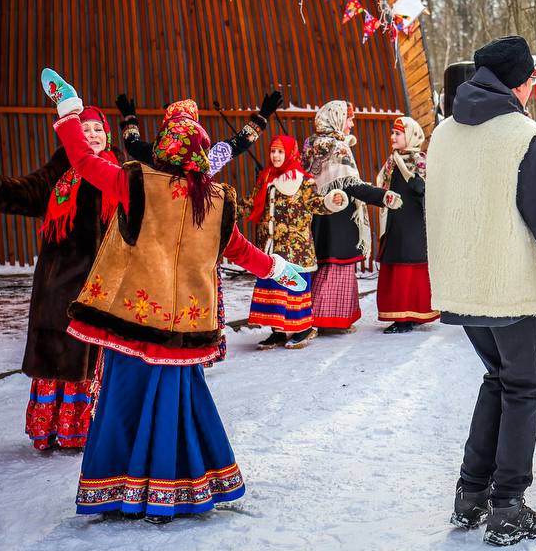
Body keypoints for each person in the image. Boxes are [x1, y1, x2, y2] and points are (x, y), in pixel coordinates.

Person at [38, 70, 295, 523]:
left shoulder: (136, 181)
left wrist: (70, 114)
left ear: (162, 147)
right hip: (184, 332)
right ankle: (182, 489)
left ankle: (120, 491)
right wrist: (275, 267)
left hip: (132, 324)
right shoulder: (216, 197)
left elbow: (82, 162)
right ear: (202, 152)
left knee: (123, 402)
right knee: (179, 406)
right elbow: (237, 249)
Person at [426, 36, 536, 547]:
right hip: (505, 287)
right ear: (519, 83)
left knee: (498, 380)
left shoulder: (443, 133)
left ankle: (470, 493)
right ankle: (508, 507)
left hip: (460, 286)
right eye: (529, 81)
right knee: (522, 389)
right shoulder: (522, 136)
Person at [0, 107, 117, 451]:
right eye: (84, 129)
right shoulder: (59, 172)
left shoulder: (119, 174)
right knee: (61, 356)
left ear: (108, 135)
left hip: (107, 289)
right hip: (61, 286)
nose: (91, 135)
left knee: (102, 361)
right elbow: (22, 192)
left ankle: (94, 430)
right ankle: (57, 429)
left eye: (97, 129)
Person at [302, 101, 401, 334]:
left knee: (323, 267)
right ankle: (329, 320)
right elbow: (353, 187)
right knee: (337, 267)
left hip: (317, 216)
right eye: (349, 118)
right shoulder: (338, 148)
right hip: (340, 218)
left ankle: (312, 316)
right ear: (336, 119)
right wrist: (383, 197)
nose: (352, 123)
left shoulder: (310, 145)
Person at [246, 135, 345, 349]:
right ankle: (278, 331)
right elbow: (252, 203)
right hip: (271, 248)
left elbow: (316, 204)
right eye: (273, 151)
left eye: (280, 152)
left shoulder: (303, 181)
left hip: (295, 249)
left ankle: (304, 329)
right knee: (273, 289)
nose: (275, 156)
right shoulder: (266, 178)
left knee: (294, 288)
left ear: (290, 153)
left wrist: (332, 200)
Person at [374, 117, 436, 333]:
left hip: (414, 223)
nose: (393, 137)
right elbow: (381, 185)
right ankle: (401, 314)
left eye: (398, 133)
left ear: (409, 136)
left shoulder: (420, 160)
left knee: (410, 265)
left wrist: (422, 188)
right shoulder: (392, 161)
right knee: (396, 262)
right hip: (395, 221)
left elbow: (432, 192)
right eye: (392, 133)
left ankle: (410, 316)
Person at [115, 90, 282, 168]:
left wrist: (130, 119)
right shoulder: (207, 156)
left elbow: (133, 145)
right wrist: (262, 117)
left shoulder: (156, 153)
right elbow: (240, 142)